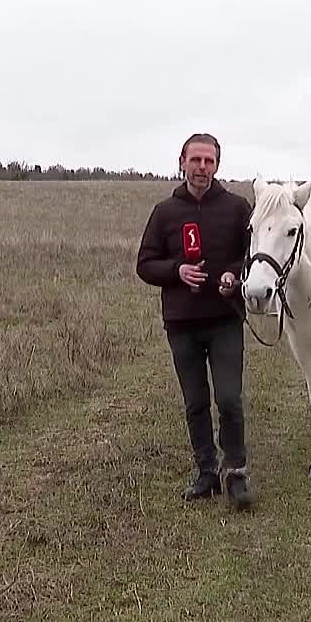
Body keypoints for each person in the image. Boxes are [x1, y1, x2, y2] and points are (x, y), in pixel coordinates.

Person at [135, 133, 253, 510]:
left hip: (224, 320)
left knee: (230, 400)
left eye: (209, 161)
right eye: (195, 160)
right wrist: (177, 270)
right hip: (182, 323)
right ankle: (207, 473)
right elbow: (145, 264)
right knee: (196, 402)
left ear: (217, 165)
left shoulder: (237, 209)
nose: (202, 168)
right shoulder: (165, 212)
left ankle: (236, 473)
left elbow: (253, 256)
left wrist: (234, 276)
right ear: (181, 162)